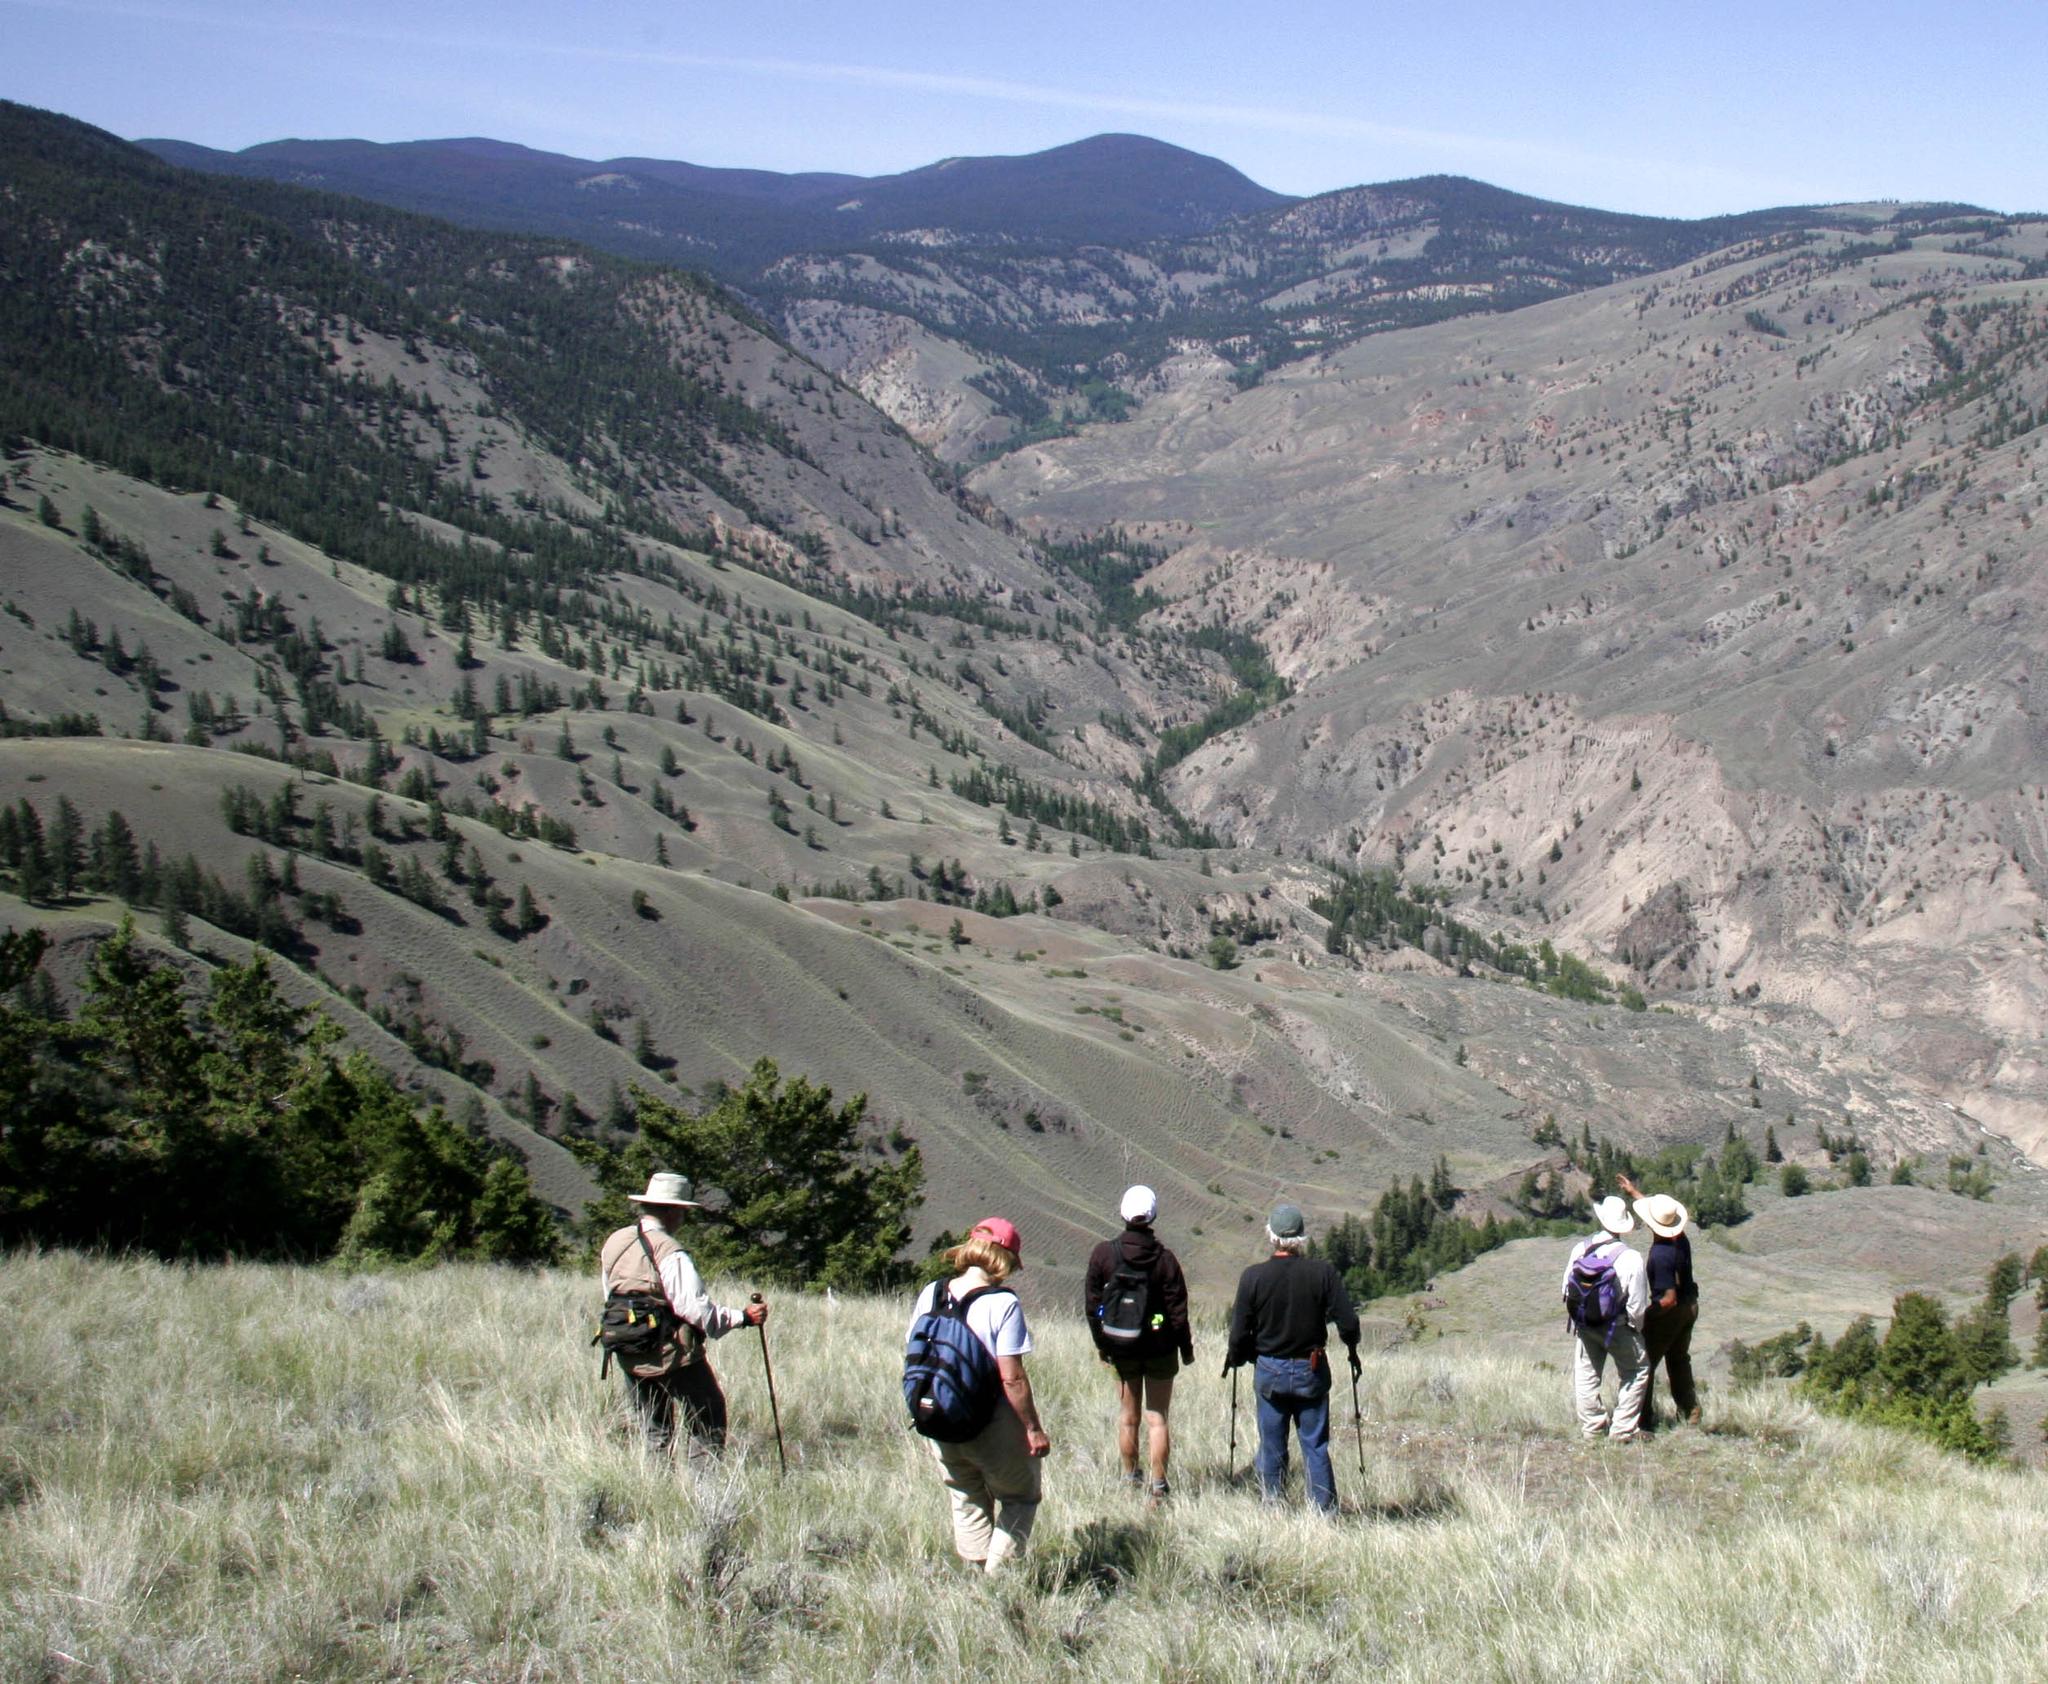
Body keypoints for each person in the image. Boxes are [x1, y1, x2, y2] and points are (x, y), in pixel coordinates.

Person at [909, 1217, 1050, 1573]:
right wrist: (1033, 1428)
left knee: (965, 1494)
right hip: (989, 1420)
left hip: (936, 1416)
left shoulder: (932, 1292)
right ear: (1005, 1259)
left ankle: (973, 1576)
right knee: (1020, 1497)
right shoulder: (1002, 1303)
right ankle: (997, 1581)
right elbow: (1013, 1379)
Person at [598, 1171, 768, 1461]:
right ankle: (706, 1495)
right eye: (683, 1211)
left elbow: (610, 1293)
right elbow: (695, 1310)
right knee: (708, 1418)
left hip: (626, 1348)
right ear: (671, 1210)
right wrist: (743, 1317)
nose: (683, 1218)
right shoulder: (670, 1251)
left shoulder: (615, 1241)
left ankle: (655, 1492)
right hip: (671, 1353)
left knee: (653, 1430)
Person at [1225, 1202, 1360, 1512]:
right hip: (1310, 1369)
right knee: (1314, 1445)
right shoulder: (1322, 1273)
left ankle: (1272, 1506)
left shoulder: (1253, 1277)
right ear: (1302, 1238)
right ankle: (1323, 1512)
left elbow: (1238, 1332)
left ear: (1271, 1237)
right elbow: (1348, 1323)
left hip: (1270, 1368)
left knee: (1271, 1445)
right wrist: (1351, 1348)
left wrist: (1237, 1356)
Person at [1084, 1184, 1194, 1500]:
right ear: (1153, 1215)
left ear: (1123, 1213)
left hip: (1120, 1347)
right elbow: (1178, 1312)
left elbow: (1093, 1307)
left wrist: (1102, 1345)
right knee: (1157, 1418)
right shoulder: (1166, 1260)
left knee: (1128, 1417)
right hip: (1160, 1349)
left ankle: (1130, 1479)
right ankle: (1159, 1487)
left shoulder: (1104, 1254)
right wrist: (1185, 1350)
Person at [1561, 1193, 1650, 1441]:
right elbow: (1638, 1305)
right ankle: (1622, 1429)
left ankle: (1592, 1428)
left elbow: (1566, 1289)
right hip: (1618, 1326)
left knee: (1587, 1376)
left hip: (1585, 1324)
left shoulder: (1580, 1249)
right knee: (1636, 1370)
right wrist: (1635, 1329)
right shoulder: (1631, 1257)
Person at [1618, 1173, 1700, 1430]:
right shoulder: (1680, 1239)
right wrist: (1635, 1193)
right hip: (1691, 1306)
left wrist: (1643, 1315)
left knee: (1644, 1363)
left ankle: (1642, 1419)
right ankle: (1690, 1411)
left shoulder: (1660, 1255)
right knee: (1678, 1360)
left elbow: (1668, 1299)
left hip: (1671, 1312)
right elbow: (1663, 1217)